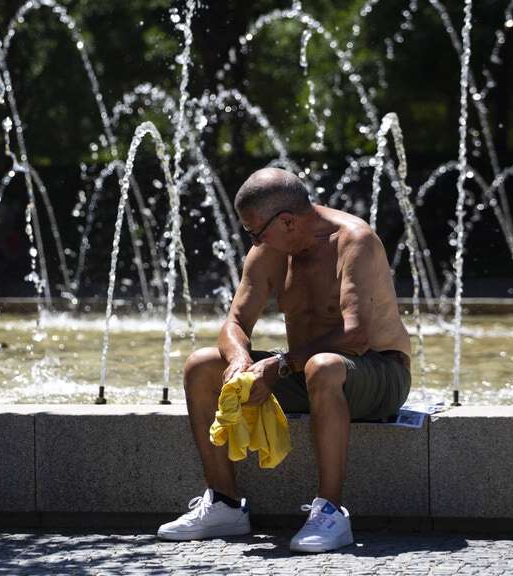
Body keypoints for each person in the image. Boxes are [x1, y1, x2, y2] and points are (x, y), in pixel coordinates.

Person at [157, 167, 411, 553]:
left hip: (378, 371)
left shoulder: (354, 241)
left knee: (323, 365)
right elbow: (235, 322)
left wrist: (277, 364)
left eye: (256, 231)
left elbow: (355, 335)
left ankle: (330, 512)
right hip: (306, 371)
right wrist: (239, 358)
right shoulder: (271, 250)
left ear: (288, 221)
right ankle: (225, 503)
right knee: (201, 365)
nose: (253, 241)